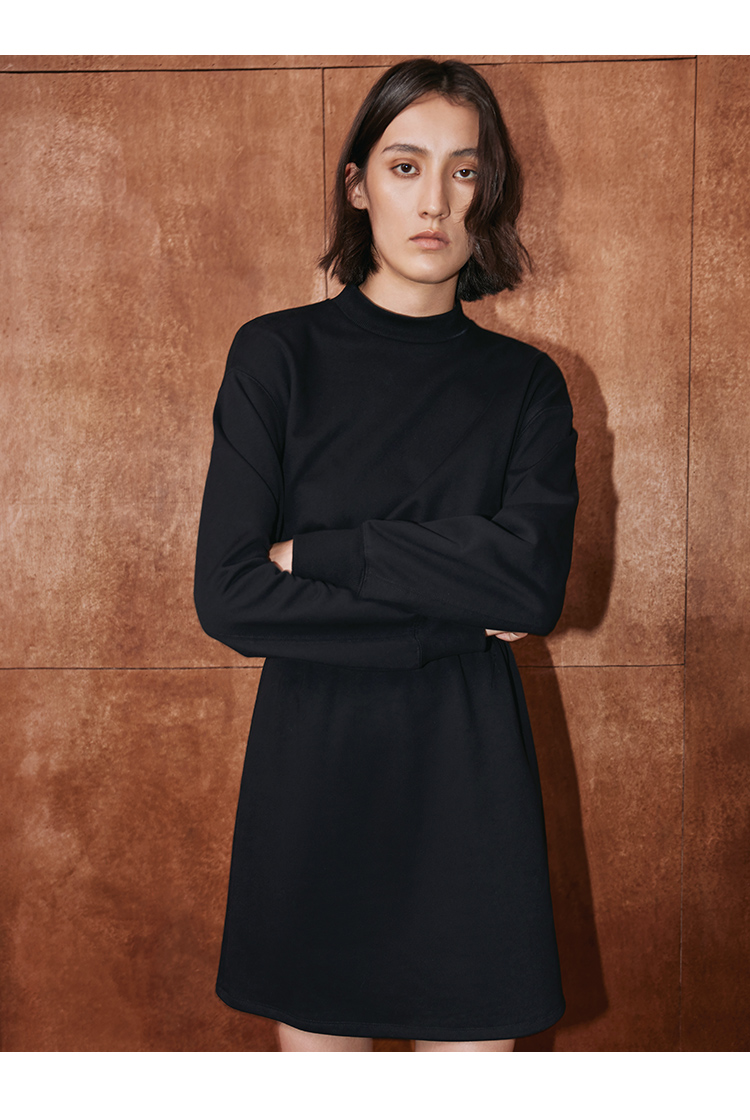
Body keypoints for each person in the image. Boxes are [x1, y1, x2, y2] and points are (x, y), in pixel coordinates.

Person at [194, 57, 579, 1053]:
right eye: (406, 166)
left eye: (464, 170)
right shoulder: (276, 356)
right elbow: (230, 597)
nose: (435, 200)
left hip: (469, 785)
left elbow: (533, 584)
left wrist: (325, 553)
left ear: (490, 192)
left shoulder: (527, 385)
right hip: (315, 775)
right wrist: (456, 614)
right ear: (358, 185)